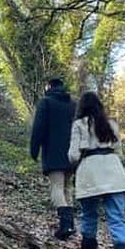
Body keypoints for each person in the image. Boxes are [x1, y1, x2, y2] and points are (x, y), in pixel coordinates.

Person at [68, 91, 125, 249]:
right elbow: (119, 151)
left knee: (89, 216)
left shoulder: (79, 125)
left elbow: (73, 155)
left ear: (81, 107)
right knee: (117, 219)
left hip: (89, 172)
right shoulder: (111, 124)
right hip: (113, 172)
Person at [30, 78, 77, 240]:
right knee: (67, 188)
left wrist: (34, 150)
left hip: (53, 151)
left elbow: (38, 127)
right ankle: (70, 225)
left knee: (56, 187)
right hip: (72, 153)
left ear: (49, 86)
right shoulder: (73, 104)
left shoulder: (46, 102)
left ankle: (66, 225)